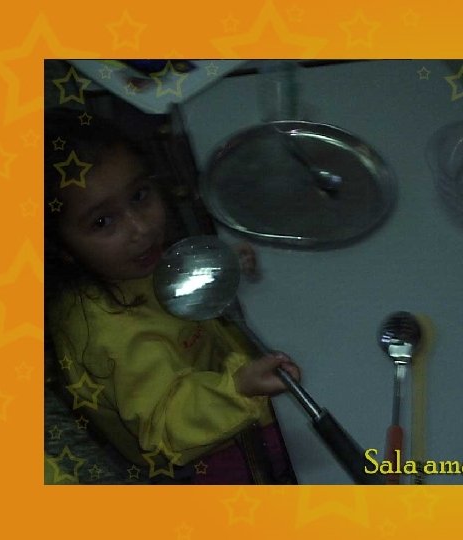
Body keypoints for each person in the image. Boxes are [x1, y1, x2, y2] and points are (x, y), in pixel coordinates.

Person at [44, 108, 300, 484]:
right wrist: (238, 389)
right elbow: (166, 428)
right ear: (60, 246)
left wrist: (220, 262)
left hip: (220, 380)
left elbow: (177, 281)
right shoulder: (114, 338)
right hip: (206, 450)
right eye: (102, 221)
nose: (142, 228)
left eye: (139, 195)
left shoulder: (125, 262)